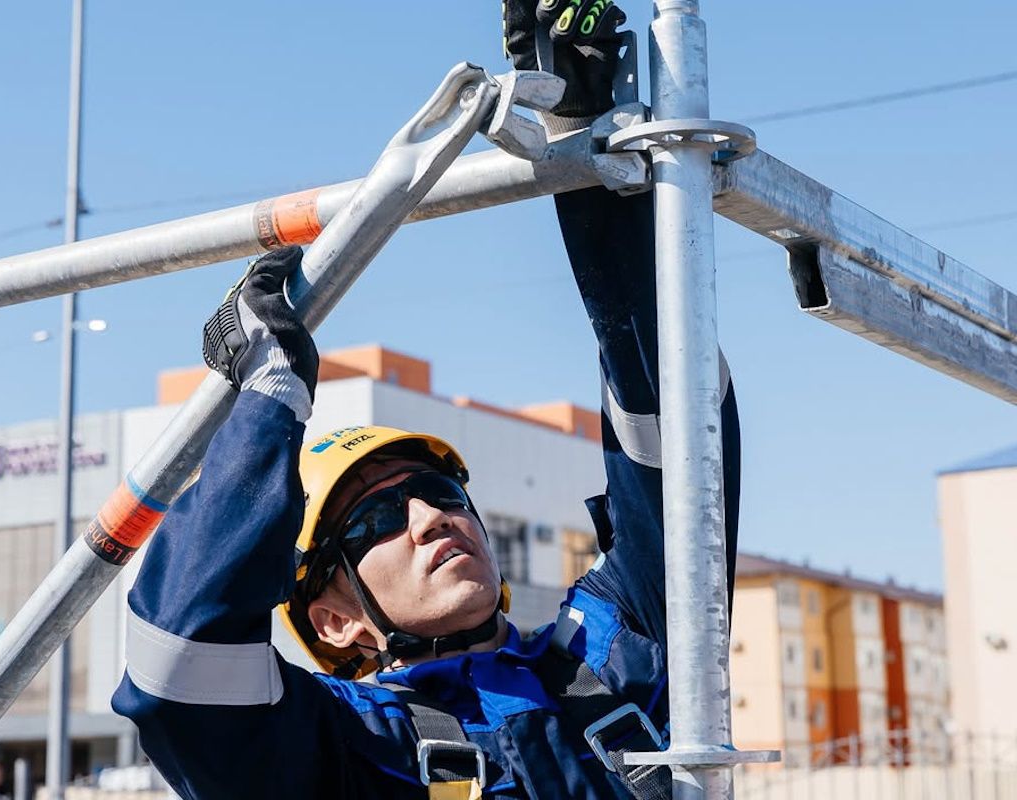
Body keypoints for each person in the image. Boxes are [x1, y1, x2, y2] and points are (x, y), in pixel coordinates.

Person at [112, 2, 741, 797]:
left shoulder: (612, 654)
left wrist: (587, 151)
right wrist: (269, 396)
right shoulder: (334, 744)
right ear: (335, 620)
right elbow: (176, 661)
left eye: (441, 493)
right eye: (377, 520)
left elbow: (684, 440)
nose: (432, 517)